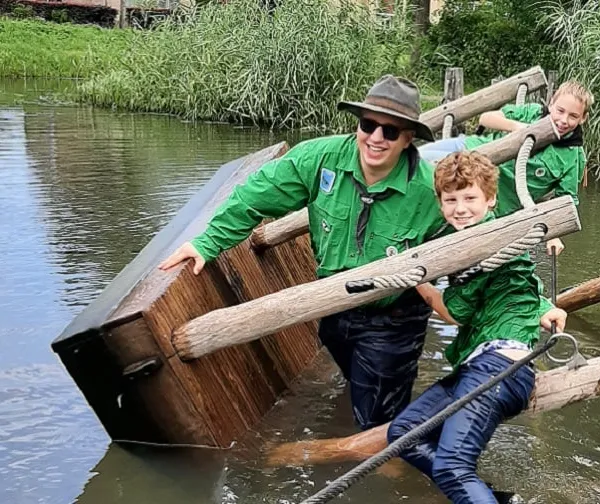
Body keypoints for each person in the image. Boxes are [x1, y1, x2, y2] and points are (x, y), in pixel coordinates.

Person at [159, 75, 446, 431]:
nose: (375, 138)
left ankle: (391, 463)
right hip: (333, 306)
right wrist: (206, 243)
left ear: (408, 139)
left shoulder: (431, 190)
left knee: (377, 420)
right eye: (368, 125)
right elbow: (254, 196)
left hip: (392, 314)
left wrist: (526, 307)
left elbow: (480, 229)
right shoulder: (319, 159)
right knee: (359, 387)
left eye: (390, 132)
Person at [386, 151, 568, 504]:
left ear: (490, 200)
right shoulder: (485, 241)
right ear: (440, 203)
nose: (460, 208)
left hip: (499, 368)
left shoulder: (485, 242)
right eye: (450, 199)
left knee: (452, 467)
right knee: (405, 433)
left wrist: (416, 281)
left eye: (470, 198)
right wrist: (543, 308)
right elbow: (521, 286)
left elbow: (454, 313)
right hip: (479, 366)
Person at [419, 80, 594, 256]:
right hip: (469, 147)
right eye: (560, 111)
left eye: (573, 116)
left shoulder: (573, 156)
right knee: (412, 161)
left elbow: (565, 200)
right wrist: (517, 127)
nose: (564, 120)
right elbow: (486, 118)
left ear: (583, 118)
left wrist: (554, 234)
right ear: (551, 105)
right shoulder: (532, 112)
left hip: (487, 199)